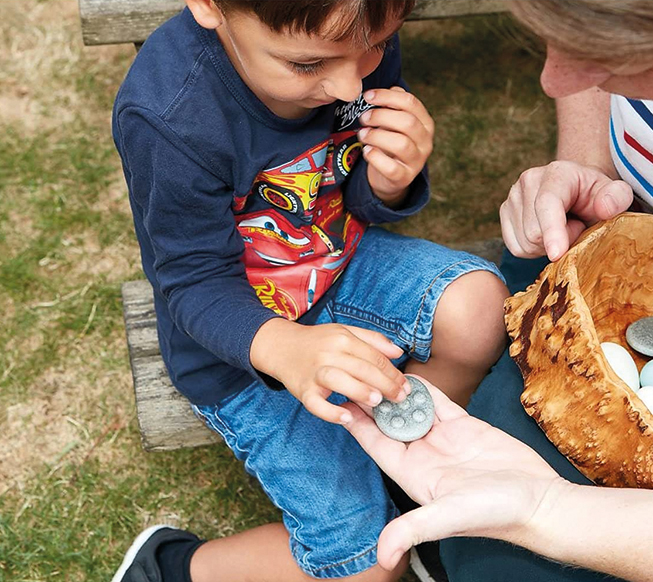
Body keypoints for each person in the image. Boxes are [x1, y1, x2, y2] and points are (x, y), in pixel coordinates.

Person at [344, 1, 653, 581]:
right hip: (603, 276)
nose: (551, 78)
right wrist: (586, 164)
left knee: (497, 560)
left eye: (624, 45)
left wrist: (554, 512)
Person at [109, 1, 509, 581]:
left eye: (375, 46)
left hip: (339, 265)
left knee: (478, 309)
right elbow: (193, 281)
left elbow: (350, 194)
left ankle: (402, 480)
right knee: (370, 565)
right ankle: (171, 567)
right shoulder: (170, 114)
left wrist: (387, 180)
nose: (352, 83)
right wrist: (287, 349)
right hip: (240, 343)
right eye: (307, 64)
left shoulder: (351, 24)